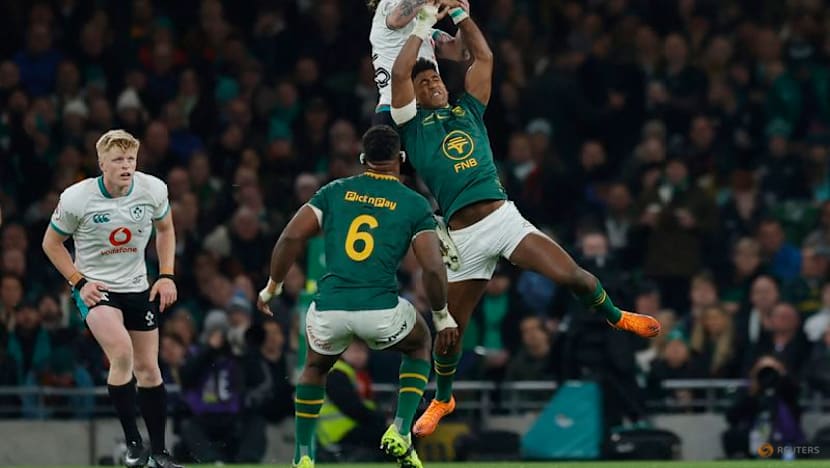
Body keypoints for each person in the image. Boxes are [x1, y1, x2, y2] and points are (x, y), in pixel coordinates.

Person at [390, 3, 661, 436]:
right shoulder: (411, 127)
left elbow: (485, 57)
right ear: (416, 94)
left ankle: (615, 316)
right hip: (463, 238)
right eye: (425, 83)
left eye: (436, 78)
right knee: (449, 331)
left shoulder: (469, 110)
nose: (433, 84)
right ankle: (443, 397)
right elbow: (400, 73)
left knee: (573, 276)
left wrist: (460, 16)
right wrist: (422, 25)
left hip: (503, 220)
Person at [256, 125, 456, 468]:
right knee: (419, 342)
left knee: (315, 367)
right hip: (381, 311)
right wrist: (441, 315)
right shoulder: (413, 202)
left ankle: (303, 455)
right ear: (400, 158)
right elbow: (433, 268)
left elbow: (290, 237)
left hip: (329, 310)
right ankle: (401, 429)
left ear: (364, 159)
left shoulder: (333, 192)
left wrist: (273, 286)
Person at [41, 129, 182, 468]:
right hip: (96, 289)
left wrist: (166, 275)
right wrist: (79, 282)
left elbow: (165, 229)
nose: (126, 166)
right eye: (118, 160)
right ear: (101, 163)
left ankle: (159, 453)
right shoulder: (77, 198)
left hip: (137, 286)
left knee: (149, 369)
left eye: (131, 159)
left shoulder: (153, 189)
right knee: (122, 352)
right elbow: (51, 244)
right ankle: (133, 445)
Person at [367, 0, 467, 125]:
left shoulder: (424, 30)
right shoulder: (385, 9)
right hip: (394, 112)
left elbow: (459, 53)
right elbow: (397, 19)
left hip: (426, 110)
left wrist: (462, 17)